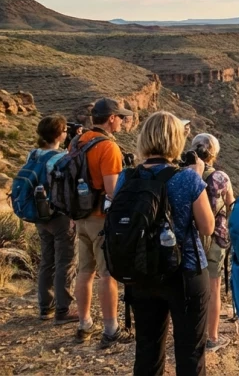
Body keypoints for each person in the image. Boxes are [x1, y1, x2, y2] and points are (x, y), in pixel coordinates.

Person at [118, 112, 214, 376]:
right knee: (190, 353)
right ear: (176, 140)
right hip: (185, 272)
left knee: (147, 350)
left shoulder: (126, 177)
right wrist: (198, 177)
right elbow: (207, 227)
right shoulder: (187, 178)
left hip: (141, 271)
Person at [73, 98, 134, 346]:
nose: (122, 121)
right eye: (120, 117)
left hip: (80, 215)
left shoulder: (78, 141)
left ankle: (84, 324)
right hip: (100, 218)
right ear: (111, 118)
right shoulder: (108, 147)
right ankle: (111, 329)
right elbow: (112, 191)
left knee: (85, 271)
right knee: (107, 273)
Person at [190, 133, 235, 353]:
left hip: (190, 239)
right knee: (214, 288)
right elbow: (231, 206)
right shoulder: (221, 178)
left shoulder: (184, 175)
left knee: (191, 286)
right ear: (214, 153)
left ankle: (192, 333)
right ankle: (212, 337)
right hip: (216, 239)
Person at [31, 115, 78, 324]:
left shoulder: (33, 154)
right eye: (65, 131)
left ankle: (45, 307)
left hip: (39, 213)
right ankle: (63, 310)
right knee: (65, 262)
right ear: (59, 134)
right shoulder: (60, 158)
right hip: (59, 215)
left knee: (47, 260)